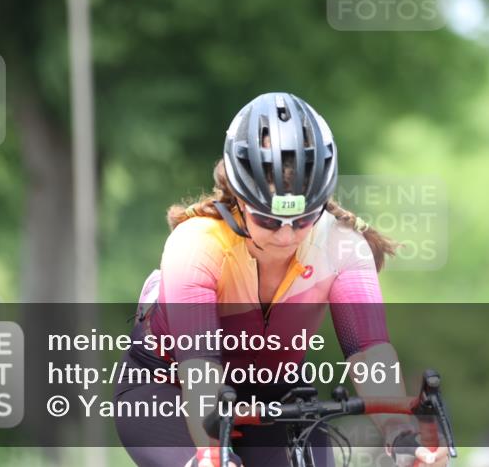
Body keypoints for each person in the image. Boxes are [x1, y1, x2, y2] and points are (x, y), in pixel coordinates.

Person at [114, 92, 450, 467]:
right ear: (239, 199)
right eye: (269, 221)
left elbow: (369, 352)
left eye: (303, 220)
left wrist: (401, 433)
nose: (286, 237)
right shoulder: (196, 244)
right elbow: (200, 369)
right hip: (169, 386)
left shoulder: (342, 245)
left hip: (272, 390)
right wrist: (211, 452)